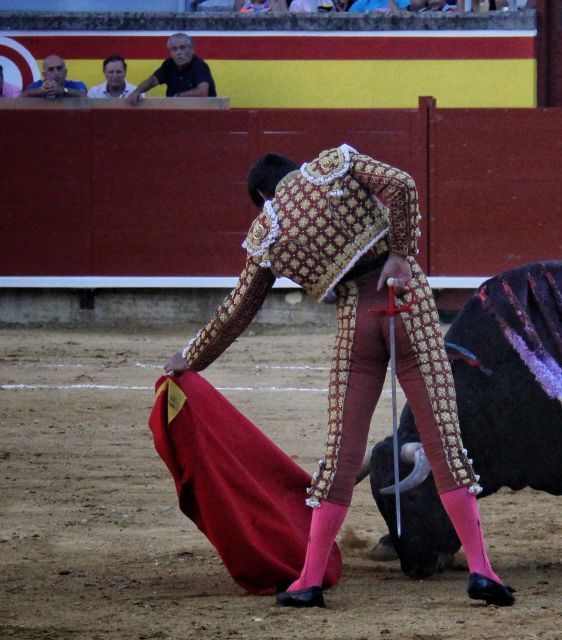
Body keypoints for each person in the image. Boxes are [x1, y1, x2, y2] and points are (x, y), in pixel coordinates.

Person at [162, 145, 516, 609]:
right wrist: (402, 255)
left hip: (356, 319)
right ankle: (482, 571)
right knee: (444, 439)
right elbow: (404, 184)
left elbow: (238, 311)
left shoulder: (267, 229)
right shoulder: (335, 163)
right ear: (294, 171)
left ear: (264, 194)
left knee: (341, 453)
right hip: (407, 302)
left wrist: (190, 356)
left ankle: (308, 580)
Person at [128, 33, 216, 105]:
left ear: (192, 50)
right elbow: (153, 80)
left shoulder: (199, 65)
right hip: (176, 113)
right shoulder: (169, 64)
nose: (178, 53)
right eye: (174, 49)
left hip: (201, 113)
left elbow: (202, 92)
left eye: (182, 48)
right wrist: (137, 92)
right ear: (170, 52)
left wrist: (178, 97)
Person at [20, 55, 86, 99]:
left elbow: (84, 96)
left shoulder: (76, 85)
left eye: (59, 68)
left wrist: (63, 90)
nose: (56, 73)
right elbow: (19, 100)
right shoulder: (36, 86)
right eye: (51, 69)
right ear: (44, 75)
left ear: (65, 72)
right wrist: (40, 90)